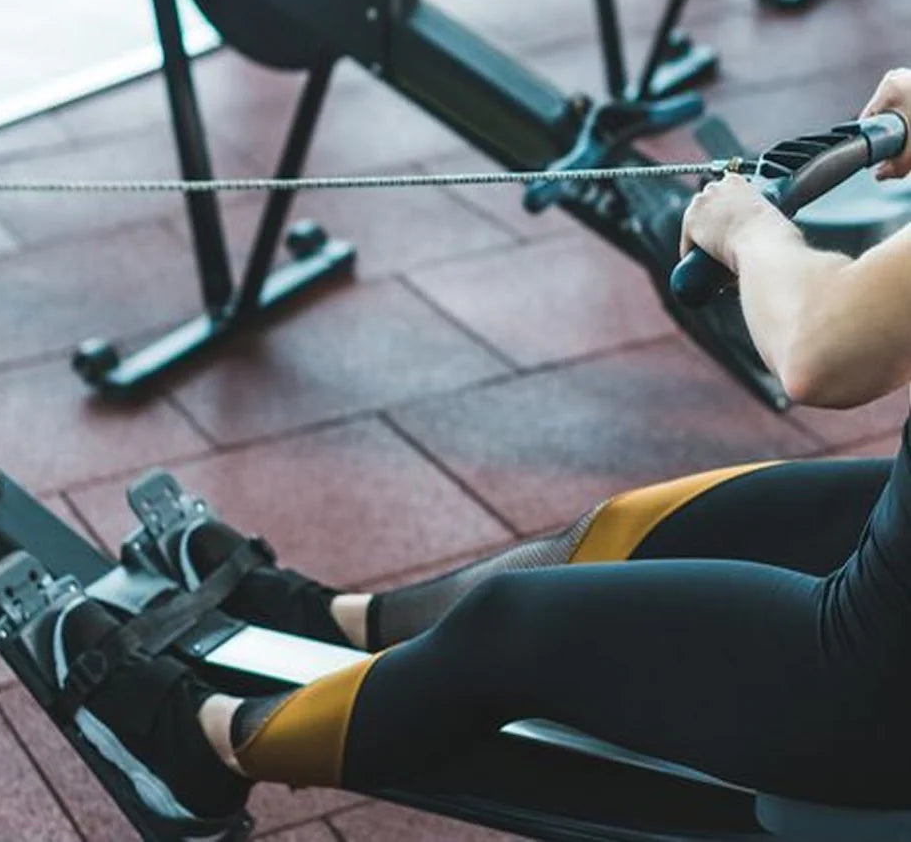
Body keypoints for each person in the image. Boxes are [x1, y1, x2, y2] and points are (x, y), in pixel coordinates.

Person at [52, 68, 911, 833]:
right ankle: (340, 624)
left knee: (512, 627)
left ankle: (202, 750)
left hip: (876, 691)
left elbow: (823, 350)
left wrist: (749, 230)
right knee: (635, 527)